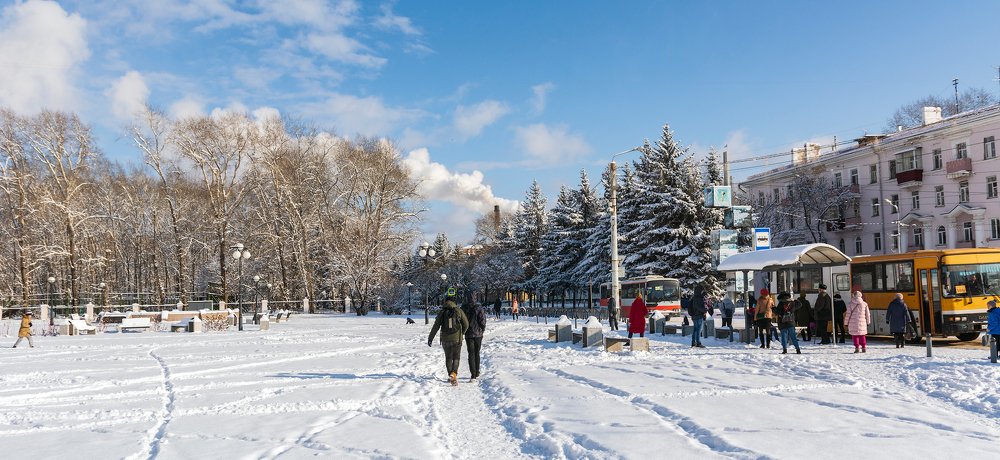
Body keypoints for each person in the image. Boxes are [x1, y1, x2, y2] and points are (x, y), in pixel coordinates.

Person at [428, 295, 469, 385]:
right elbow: (466, 324)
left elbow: (436, 326)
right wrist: (462, 333)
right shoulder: (459, 311)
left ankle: (450, 374)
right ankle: (453, 374)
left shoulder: (442, 312)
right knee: (456, 357)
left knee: (448, 358)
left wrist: (430, 338)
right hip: (457, 339)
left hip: (445, 339)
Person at [461, 300, 487, 381]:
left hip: (468, 334)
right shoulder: (479, 308)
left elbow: (461, 320)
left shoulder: (464, 308)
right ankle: (477, 371)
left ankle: (473, 374)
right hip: (478, 334)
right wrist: (482, 329)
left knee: (471, 354)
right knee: (477, 353)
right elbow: (482, 320)